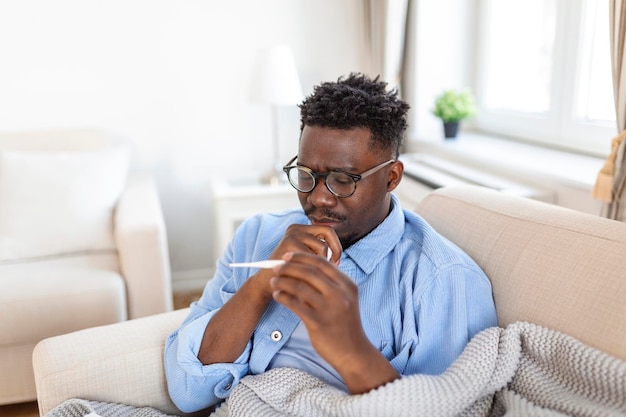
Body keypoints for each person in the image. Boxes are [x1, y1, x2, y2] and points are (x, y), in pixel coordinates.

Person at [164, 73, 497, 413]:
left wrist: (348, 346)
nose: (319, 198)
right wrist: (262, 284)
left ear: (392, 177)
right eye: (307, 175)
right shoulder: (257, 235)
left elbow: (444, 410)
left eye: (343, 180)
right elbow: (188, 390)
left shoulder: (442, 279)